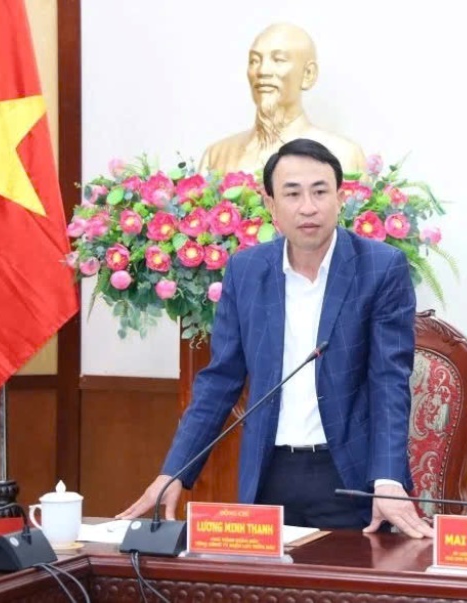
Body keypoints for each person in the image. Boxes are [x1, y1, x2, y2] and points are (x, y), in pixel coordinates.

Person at [118, 138, 432, 539]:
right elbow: (220, 380)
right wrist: (175, 470)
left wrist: (387, 478)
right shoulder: (246, 271)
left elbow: (389, 379)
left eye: (320, 192)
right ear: (270, 204)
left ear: (341, 198)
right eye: (292, 193)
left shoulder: (380, 268)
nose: (308, 207)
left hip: (352, 480)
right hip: (268, 476)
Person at [199, 23, 367, 176]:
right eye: (254, 61)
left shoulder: (342, 154)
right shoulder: (217, 156)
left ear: (308, 74)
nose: (262, 71)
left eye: (278, 60)